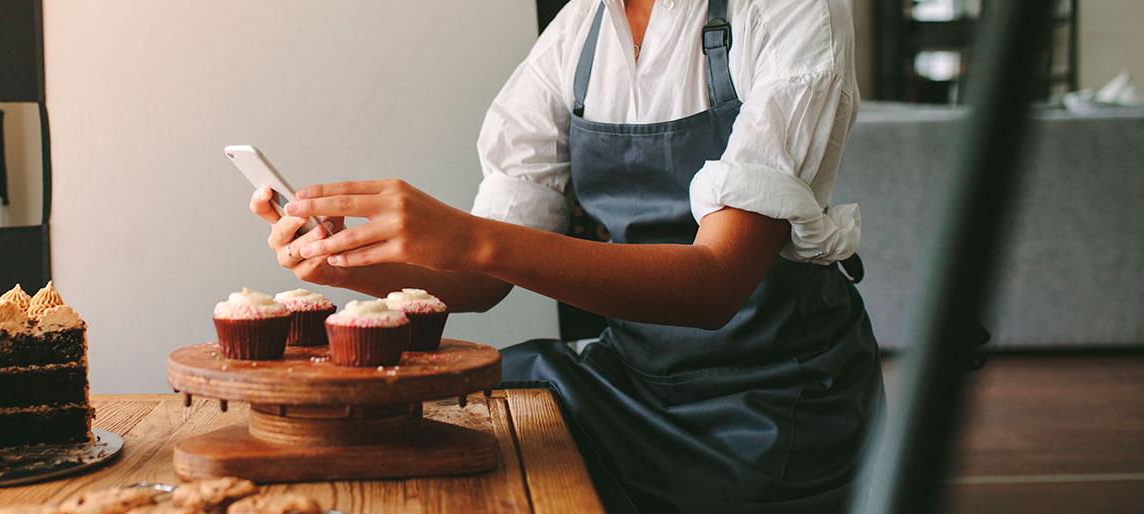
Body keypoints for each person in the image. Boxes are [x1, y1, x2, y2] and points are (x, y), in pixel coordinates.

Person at [248, 0, 883, 512]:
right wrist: (345, 257)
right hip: (631, 377)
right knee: (429, 419)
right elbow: (480, 280)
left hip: (772, 404)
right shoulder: (579, 32)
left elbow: (715, 284)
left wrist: (468, 235)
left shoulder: (794, 13)